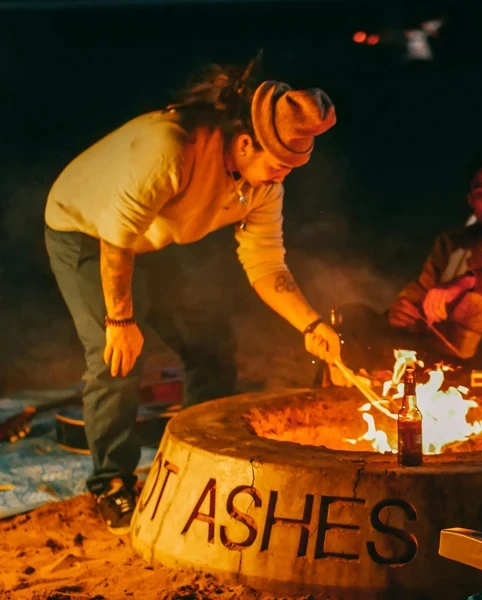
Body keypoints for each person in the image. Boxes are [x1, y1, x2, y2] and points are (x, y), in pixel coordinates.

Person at [44, 57, 343, 534]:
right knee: (116, 358)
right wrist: (120, 322)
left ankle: (203, 459)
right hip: (84, 229)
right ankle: (111, 483)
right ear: (246, 143)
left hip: (155, 235)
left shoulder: (264, 184)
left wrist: (311, 323)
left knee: (210, 343)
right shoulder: (173, 148)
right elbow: (116, 239)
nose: (282, 176)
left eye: (292, 166)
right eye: (279, 164)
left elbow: (266, 263)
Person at [338, 154, 482, 384]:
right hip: (443, 360)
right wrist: (402, 312)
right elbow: (420, 291)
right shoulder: (451, 245)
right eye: (481, 194)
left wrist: (467, 281)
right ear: (471, 200)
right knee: (353, 316)